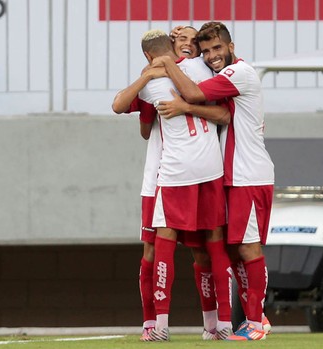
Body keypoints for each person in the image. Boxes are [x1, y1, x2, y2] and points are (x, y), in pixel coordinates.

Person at [152, 21, 275, 341]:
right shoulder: (220, 75)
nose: (211, 56)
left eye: (217, 48)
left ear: (231, 47)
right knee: (233, 251)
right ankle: (253, 318)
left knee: (249, 249)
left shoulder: (240, 74)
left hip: (249, 175)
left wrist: (170, 72)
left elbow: (191, 91)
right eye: (206, 51)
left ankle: (256, 322)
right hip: (232, 178)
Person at [111, 28, 233, 341]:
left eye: (192, 41)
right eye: (181, 40)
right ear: (173, 46)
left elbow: (121, 106)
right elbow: (146, 127)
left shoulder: (158, 79)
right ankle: (209, 323)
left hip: (172, 174)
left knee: (179, 248)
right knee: (190, 248)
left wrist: (152, 73)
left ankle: (164, 325)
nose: (188, 46)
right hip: (184, 172)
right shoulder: (205, 70)